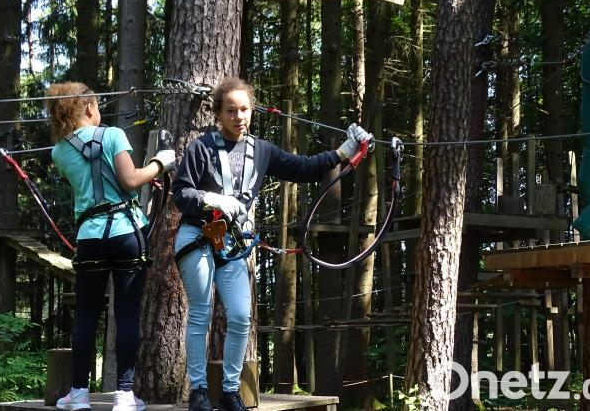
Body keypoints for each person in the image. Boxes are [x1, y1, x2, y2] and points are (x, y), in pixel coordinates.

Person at [171, 76, 370, 411]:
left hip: (232, 243)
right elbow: (181, 194)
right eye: (231, 111)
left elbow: (304, 167)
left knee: (239, 315)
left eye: (244, 109)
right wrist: (210, 197)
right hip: (199, 237)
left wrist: (344, 151)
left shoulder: (262, 150)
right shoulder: (200, 148)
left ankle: (230, 391)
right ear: (218, 114)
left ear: (252, 110)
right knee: (201, 314)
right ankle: (199, 393)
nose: (239, 117)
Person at [46, 82, 175, 411]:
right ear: (88, 108)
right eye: (97, 106)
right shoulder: (114, 135)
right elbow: (130, 181)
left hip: (90, 237)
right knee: (127, 313)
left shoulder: (59, 151)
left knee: (87, 315)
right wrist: (161, 163)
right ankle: (125, 395)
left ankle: (78, 394)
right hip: (126, 233)